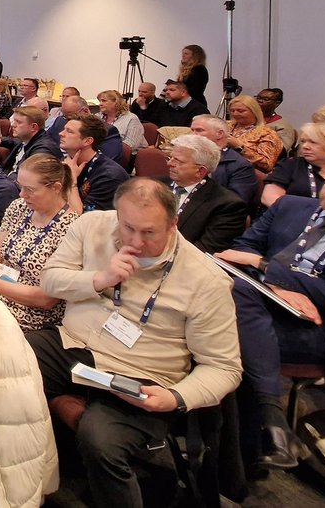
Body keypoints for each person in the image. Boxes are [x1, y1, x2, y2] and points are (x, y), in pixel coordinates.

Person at [29, 178, 242, 508]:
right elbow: (51, 278)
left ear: (173, 223)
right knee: (3, 362)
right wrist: (99, 279)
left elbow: (224, 368)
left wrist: (175, 397)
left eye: (149, 232)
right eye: (128, 228)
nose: (136, 241)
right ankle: (21, 484)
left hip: (142, 372)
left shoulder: (206, 280)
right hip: (75, 343)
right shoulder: (92, 225)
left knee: (101, 441)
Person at [215, 161, 325, 469]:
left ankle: (236, 451)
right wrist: (276, 286)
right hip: (259, 303)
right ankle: (268, 427)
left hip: (323, 329)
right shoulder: (292, 206)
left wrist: (267, 268)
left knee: (221, 335)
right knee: (230, 308)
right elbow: (240, 249)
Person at [0, 154, 76, 331]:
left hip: (26, 313)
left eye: (30, 190)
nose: (22, 194)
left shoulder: (72, 229)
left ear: (56, 188)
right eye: (21, 187)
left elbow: (46, 299)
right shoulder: (19, 207)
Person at [164, 134, 248, 253]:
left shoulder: (227, 205)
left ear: (200, 171)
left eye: (178, 161)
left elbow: (205, 250)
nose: (169, 164)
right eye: (170, 158)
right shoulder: (154, 183)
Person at [262, 122, 325, 207]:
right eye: (303, 141)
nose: (305, 146)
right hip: (289, 219)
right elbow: (269, 197)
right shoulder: (290, 164)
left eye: (313, 142)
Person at [59, 114, 129, 213]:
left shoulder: (109, 177)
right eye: (64, 129)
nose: (61, 133)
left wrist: (72, 181)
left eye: (69, 131)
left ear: (88, 141)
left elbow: (84, 219)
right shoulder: (66, 162)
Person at [190, 114, 260, 206]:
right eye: (192, 130)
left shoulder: (240, 166)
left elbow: (235, 204)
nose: (193, 135)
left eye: (199, 130)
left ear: (219, 134)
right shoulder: (188, 157)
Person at [226, 94, 285, 172]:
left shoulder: (267, 134)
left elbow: (266, 165)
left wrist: (240, 148)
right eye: (232, 111)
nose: (235, 114)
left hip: (246, 173)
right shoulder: (225, 126)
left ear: (254, 111)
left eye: (241, 111)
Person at [0, 105, 62, 176]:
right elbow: (15, 141)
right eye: (14, 121)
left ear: (33, 127)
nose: (13, 125)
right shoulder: (28, 139)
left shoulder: (43, 151)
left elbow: (25, 178)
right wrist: (1, 140)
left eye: (18, 122)